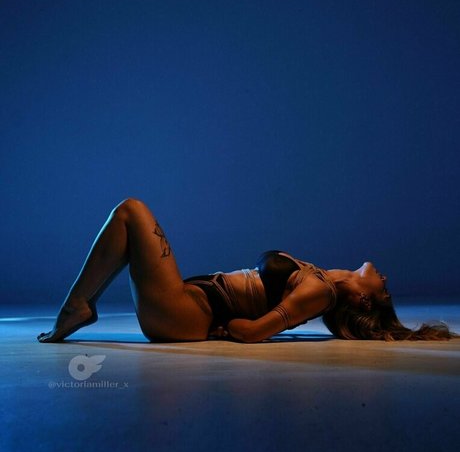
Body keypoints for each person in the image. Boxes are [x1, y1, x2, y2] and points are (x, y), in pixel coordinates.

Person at [37, 198, 455, 344]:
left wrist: (227, 327)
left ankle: (77, 306)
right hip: (183, 307)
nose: (385, 279)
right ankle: (82, 305)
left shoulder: (322, 292)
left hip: (183, 315)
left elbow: (255, 332)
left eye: (384, 291)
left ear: (362, 300)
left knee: (131, 211)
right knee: (129, 221)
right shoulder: (319, 279)